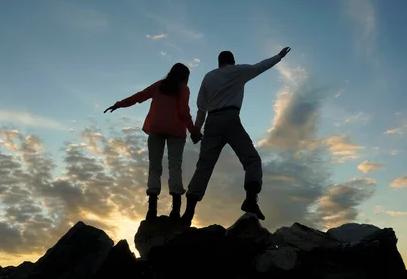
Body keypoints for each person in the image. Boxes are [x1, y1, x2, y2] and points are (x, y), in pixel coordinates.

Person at [181, 47, 292, 226]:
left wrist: (196, 130)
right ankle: (251, 199)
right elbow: (261, 66)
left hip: (211, 123)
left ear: (219, 63)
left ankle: (188, 212)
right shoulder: (238, 71)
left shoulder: (209, 77)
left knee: (204, 166)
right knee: (252, 160)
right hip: (231, 119)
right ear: (232, 61)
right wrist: (279, 57)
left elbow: (201, 108)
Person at [103, 63, 202, 220]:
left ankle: (152, 209)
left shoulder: (160, 85)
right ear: (185, 77)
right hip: (176, 131)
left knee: (154, 167)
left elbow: (139, 96)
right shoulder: (183, 89)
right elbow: (184, 111)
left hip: (156, 128)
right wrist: (193, 131)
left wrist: (119, 104)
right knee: (175, 166)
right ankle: (176, 210)